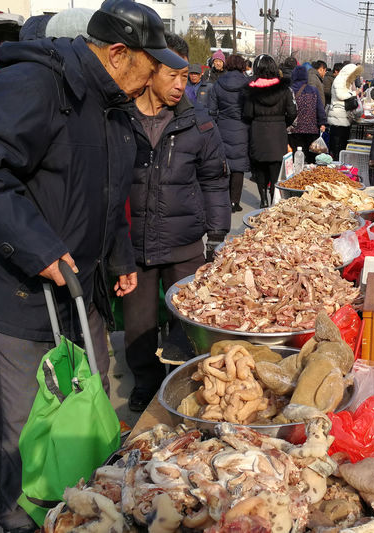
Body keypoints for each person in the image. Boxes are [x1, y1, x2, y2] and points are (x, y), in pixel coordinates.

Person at [0, 1, 187, 530]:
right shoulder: (37, 85)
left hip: (81, 290)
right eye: (151, 64)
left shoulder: (110, 101)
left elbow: (107, 191)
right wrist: (37, 246)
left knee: (86, 419)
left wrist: (119, 254)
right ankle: (24, 522)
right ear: (119, 54)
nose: (153, 78)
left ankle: (79, 514)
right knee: (30, 432)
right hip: (19, 293)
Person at [125, 33, 230, 412]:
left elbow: (215, 180)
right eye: (173, 75)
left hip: (183, 239)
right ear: (150, 71)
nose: (180, 85)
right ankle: (145, 382)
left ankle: (185, 380)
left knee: (188, 320)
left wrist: (217, 234)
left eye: (186, 77)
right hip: (133, 242)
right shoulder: (120, 117)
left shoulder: (197, 122)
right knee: (138, 324)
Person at [244, 53, 296, 208]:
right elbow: (292, 112)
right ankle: (273, 198)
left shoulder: (251, 90)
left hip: (258, 131)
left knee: (259, 169)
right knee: (275, 170)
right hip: (278, 133)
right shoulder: (284, 89)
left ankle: (263, 199)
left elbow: (247, 113)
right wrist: (283, 123)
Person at [209, 53, 250, 213]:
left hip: (223, 127)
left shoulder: (219, 83)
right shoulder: (247, 84)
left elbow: (212, 109)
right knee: (238, 166)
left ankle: (224, 200)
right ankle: (235, 202)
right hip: (242, 127)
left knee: (225, 165)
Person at [288, 64, 326, 164]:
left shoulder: (290, 90)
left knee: (296, 158)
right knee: (311, 160)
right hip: (312, 129)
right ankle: (309, 178)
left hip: (295, 130)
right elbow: (320, 108)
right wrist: (322, 122)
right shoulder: (313, 90)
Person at [327, 62, 362, 160]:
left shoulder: (346, 80)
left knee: (342, 144)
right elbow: (341, 95)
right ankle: (336, 164)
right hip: (338, 118)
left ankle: (340, 163)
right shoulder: (340, 80)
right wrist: (354, 93)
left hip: (343, 117)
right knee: (337, 145)